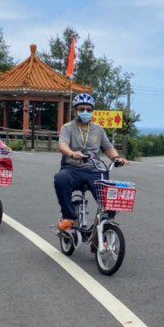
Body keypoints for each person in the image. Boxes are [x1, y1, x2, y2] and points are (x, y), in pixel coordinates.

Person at [54, 93, 127, 231]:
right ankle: (69, 217)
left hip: (94, 170)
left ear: (92, 111)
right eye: (81, 109)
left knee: (109, 194)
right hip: (72, 168)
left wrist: (117, 158)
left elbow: (108, 147)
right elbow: (62, 145)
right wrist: (71, 153)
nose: (85, 112)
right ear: (75, 111)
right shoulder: (68, 127)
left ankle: (104, 226)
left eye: (88, 109)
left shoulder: (98, 129)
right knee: (60, 179)